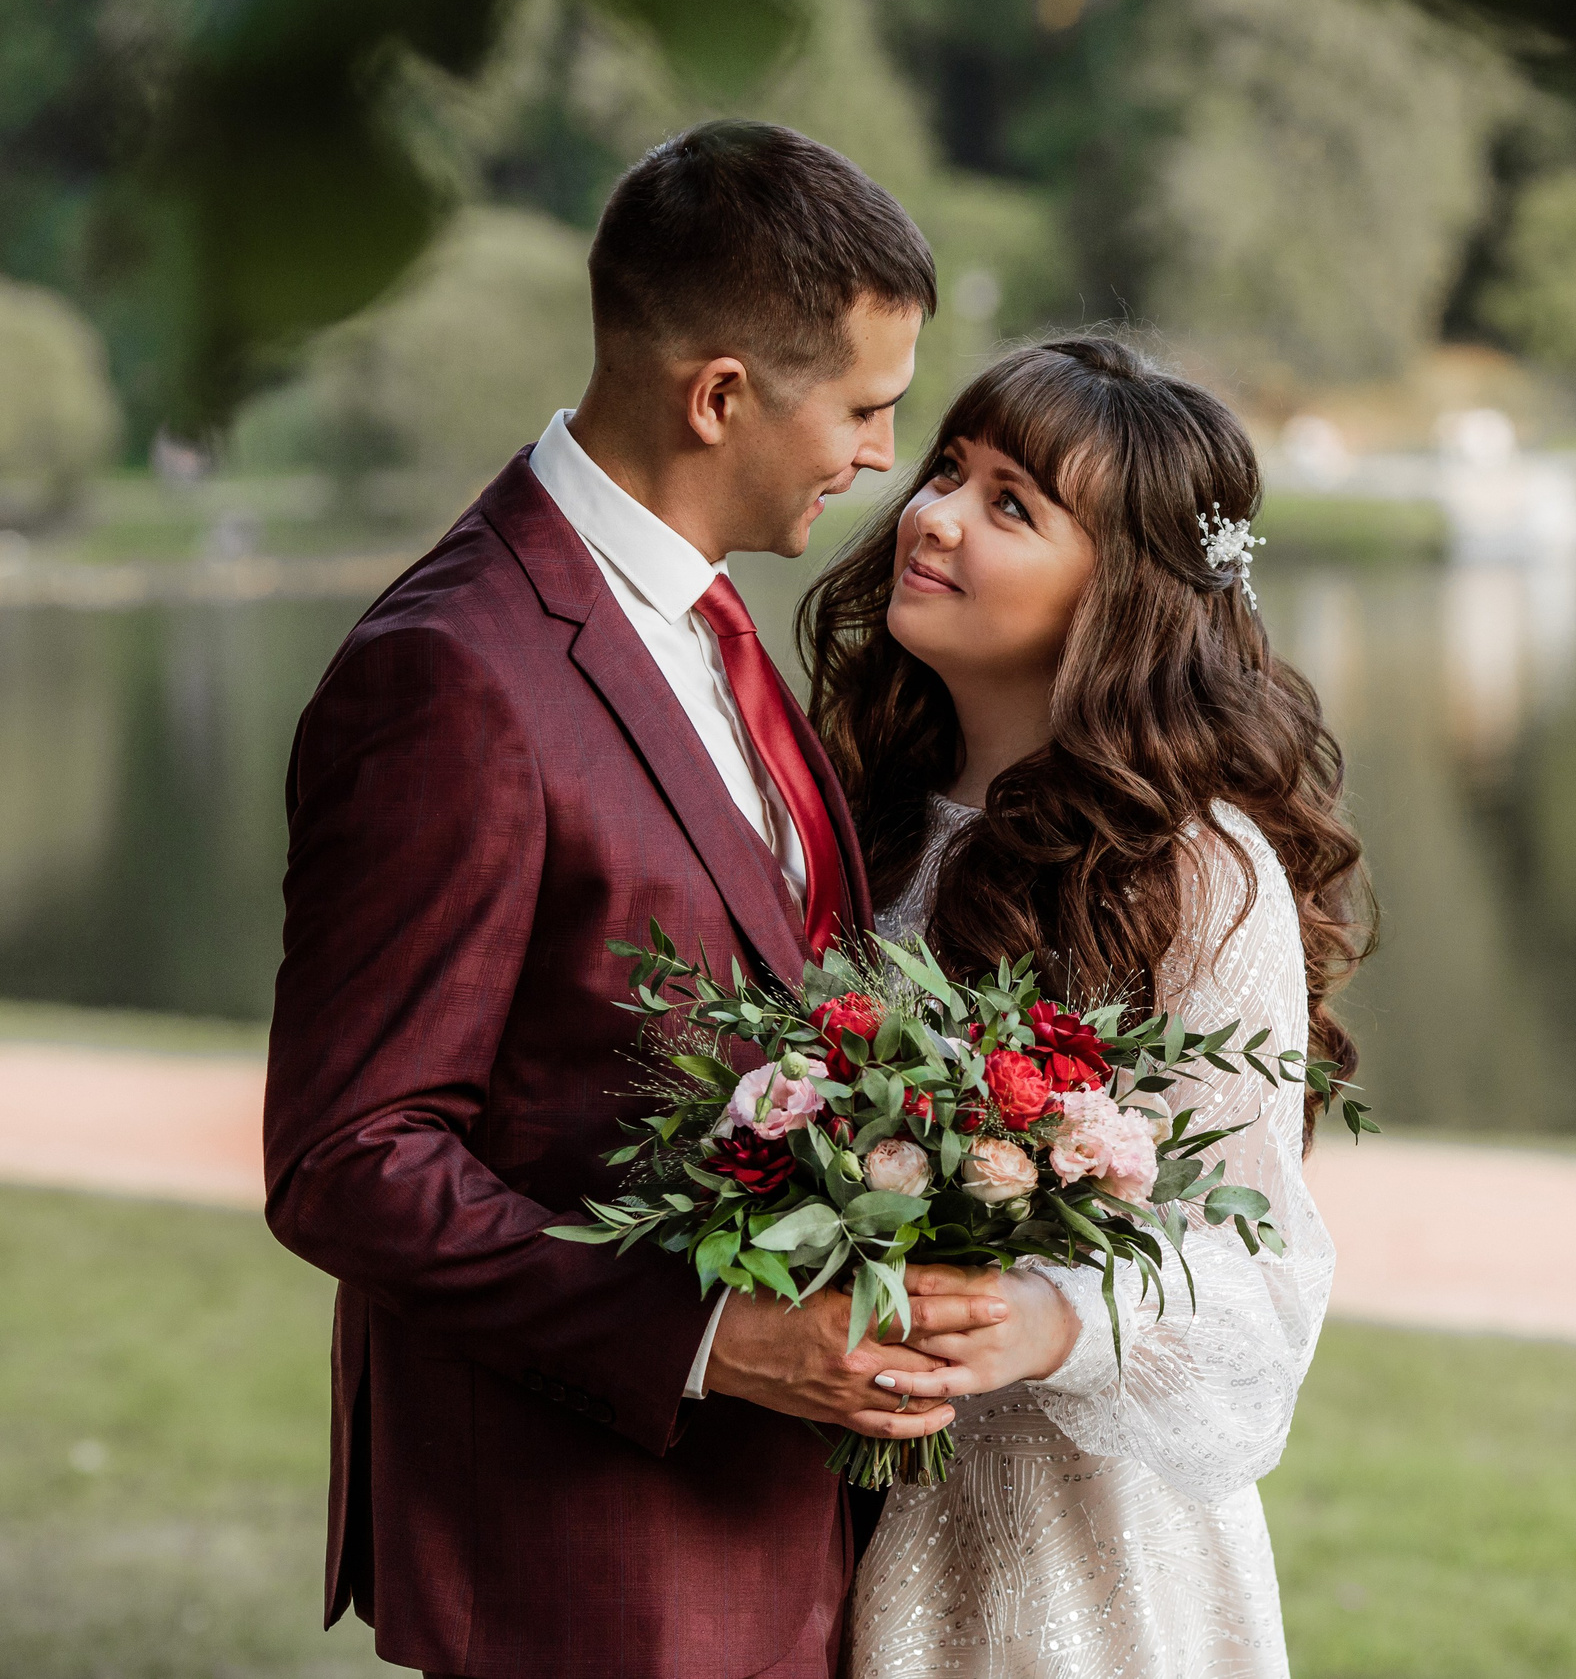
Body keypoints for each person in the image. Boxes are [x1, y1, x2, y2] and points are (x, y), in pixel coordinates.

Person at [262, 120, 980, 1678]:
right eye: (865, 409)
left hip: (778, 1532)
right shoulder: (451, 677)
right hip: (581, 1559)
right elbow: (349, 1158)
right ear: (720, 395)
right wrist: (716, 1336)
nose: (879, 459)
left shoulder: (717, 624)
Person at [799, 337, 1372, 1678]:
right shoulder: (842, 815)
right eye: (948, 470)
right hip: (818, 1510)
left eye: (1011, 503)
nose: (932, 514)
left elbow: (1260, 1276)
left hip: (1086, 1563)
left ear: (1119, 594)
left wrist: (1056, 1318)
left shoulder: (1197, 870)